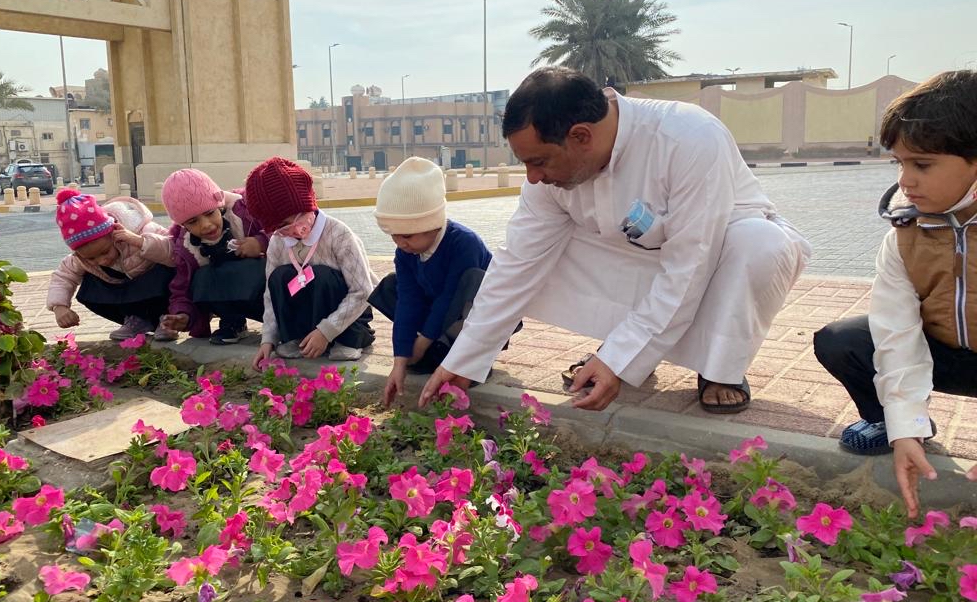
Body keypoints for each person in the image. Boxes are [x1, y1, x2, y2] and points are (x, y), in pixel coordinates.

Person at [419, 66, 811, 413]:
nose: (532, 177)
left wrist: (620, 360)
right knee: (543, 251)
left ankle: (718, 368)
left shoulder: (689, 138)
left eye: (538, 162)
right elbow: (517, 264)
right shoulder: (550, 179)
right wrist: (464, 359)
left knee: (759, 244)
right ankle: (626, 349)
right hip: (648, 256)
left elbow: (691, 265)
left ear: (581, 136)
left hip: (719, 252)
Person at [814, 70, 977, 517]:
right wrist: (907, 427)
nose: (906, 181)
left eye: (922, 165)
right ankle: (889, 423)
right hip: (944, 353)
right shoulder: (905, 234)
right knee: (843, 340)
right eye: (899, 164)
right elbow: (896, 334)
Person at [367, 157, 493, 406]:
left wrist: (422, 342)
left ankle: (469, 357)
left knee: (472, 282)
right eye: (394, 236)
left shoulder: (464, 243)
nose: (400, 244)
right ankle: (437, 351)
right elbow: (408, 301)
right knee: (391, 285)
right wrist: (400, 359)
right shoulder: (405, 252)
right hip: (437, 315)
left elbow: (450, 298)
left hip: (473, 317)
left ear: (432, 225)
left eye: (407, 236)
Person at [244, 157, 376, 368]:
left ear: (306, 206)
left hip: (350, 317)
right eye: (278, 227)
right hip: (310, 315)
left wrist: (326, 331)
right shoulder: (278, 242)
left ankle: (346, 340)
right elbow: (270, 295)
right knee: (279, 277)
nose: (285, 231)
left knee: (321, 274)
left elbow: (362, 291)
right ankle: (295, 337)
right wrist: (268, 339)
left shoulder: (338, 234)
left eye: (287, 222)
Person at [47, 189, 176, 341]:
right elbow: (63, 276)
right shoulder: (81, 258)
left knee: (164, 267)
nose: (101, 261)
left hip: (163, 295)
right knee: (89, 285)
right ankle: (137, 320)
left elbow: (175, 251)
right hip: (134, 298)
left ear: (114, 233)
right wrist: (59, 306)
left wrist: (140, 242)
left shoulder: (144, 230)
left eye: (105, 252)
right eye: (91, 258)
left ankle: (169, 319)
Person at [158, 169, 268, 345]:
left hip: (266, 296)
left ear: (220, 206)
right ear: (183, 225)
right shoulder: (187, 248)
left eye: (210, 213)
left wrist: (261, 242)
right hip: (234, 300)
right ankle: (232, 322)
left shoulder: (246, 215)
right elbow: (181, 288)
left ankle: (283, 322)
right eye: (193, 222)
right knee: (202, 277)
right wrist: (184, 315)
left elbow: (283, 231)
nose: (206, 225)